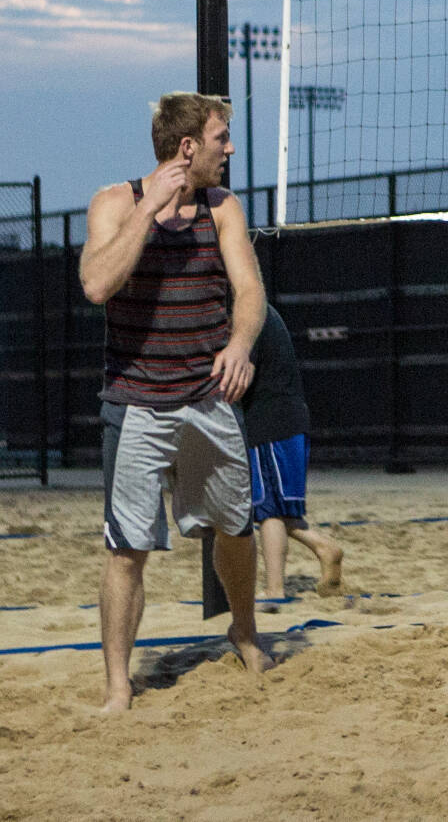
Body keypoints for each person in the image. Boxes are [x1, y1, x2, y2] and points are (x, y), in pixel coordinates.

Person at [80, 92, 271, 710]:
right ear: (188, 147)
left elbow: (250, 291)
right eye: (222, 138)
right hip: (137, 399)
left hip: (209, 396)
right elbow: (97, 285)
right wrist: (151, 210)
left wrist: (240, 345)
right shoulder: (115, 202)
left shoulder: (222, 208)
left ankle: (243, 627)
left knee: (235, 529)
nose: (231, 149)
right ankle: (117, 686)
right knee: (127, 548)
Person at [244, 304, 345, 600]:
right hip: (285, 417)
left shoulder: (246, 313)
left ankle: (274, 590)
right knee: (276, 507)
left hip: (269, 421)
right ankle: (324, 547)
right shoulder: (261, 309)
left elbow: (238, 374)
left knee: (269, 511)